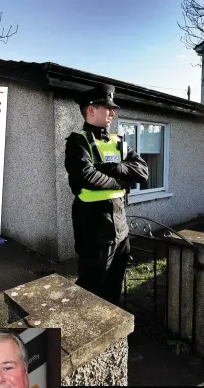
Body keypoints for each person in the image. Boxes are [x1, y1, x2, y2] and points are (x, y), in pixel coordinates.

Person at [65, 84, 148, 305]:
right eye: (106, 107)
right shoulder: (78, 142)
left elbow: (143, 171)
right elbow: (86, 176)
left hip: (121, 229)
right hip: (94, 231)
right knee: (91, 289)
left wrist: (114, 169)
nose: (112, 113)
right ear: (91, 110)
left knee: (114, 288)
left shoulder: (118, 142)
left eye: (113, 108)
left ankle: (113, 334)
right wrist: (121, 182)